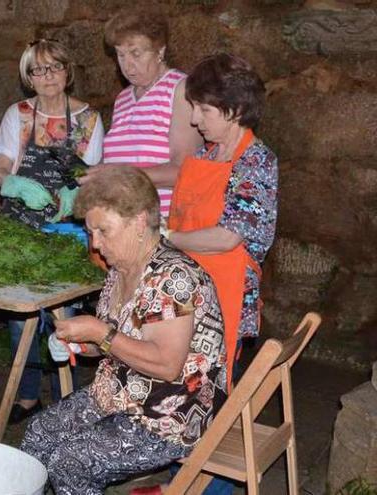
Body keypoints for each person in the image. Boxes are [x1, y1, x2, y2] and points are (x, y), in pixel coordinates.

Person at [22, 166, 227, 495]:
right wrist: (78, 344)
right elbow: (115, 341)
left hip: (169, 415)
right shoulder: (121, 270)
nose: (95, 243)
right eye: (91, 232)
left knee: (70, 462)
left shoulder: (173, 279)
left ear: (140, 221)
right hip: (120, 394)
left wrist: (98, 331)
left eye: (103, 230)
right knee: (40, 432)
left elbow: (166, 364)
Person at [0, 38, 104, 423]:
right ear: (28, 77)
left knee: (65, 319)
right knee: (19, 318)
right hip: (20, 227)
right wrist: (12, 184)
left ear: (67, 71)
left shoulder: (89, 118)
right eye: (37, 70)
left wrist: (75, 198)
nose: (47, 76)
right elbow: (0, 166)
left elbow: (91, 176)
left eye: (54, 67)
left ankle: (64, 402)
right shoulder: (18, 114)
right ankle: (26, 397)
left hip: (65, 229)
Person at [167, 53, 277, 383]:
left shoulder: (257, 161)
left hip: (223, 296)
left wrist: (165, 238)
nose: (194, 119)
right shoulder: (205, 155)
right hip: (184, 288)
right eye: (194, 107)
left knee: (207, 390)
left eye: (205, 109)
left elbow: (228, 237)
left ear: (236, 110)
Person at [85, 10, 203, 219]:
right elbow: (119, 160)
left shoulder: (179, 89)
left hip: (163, 223)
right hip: (120, 222)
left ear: (160, 51)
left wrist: (122, 175)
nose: (127, 65)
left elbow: (184, 171)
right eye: (120, 55)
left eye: (136, 54)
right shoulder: (123, 99)